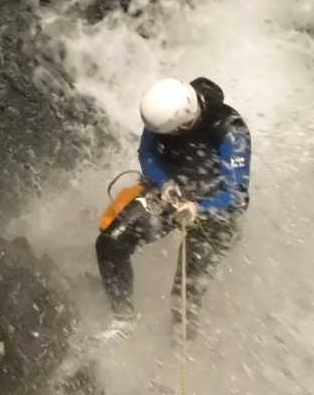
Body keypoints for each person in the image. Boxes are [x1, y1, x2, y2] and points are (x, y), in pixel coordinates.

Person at [95, 77, 251, 341]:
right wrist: (165, 183)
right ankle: (123, 319)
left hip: (216, 209)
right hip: (173, 193)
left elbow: (236, 198)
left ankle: (180, 343)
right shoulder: (164, 112)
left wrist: (199, 209)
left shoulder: (229, 130)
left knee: (185, 296)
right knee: (111, 243)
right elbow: (147, 153)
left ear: (186, 124)